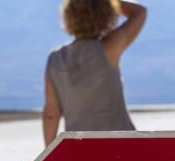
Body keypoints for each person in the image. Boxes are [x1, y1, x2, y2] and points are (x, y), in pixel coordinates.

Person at [42, 0, 147, 146]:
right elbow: (139, 12)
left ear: (67, 16)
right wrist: (107, 3)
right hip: (121, 145)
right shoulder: (109, 47)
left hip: (81, 149)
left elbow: (51, 114)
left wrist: (49, 156)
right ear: (107, 15)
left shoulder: (56, 58)